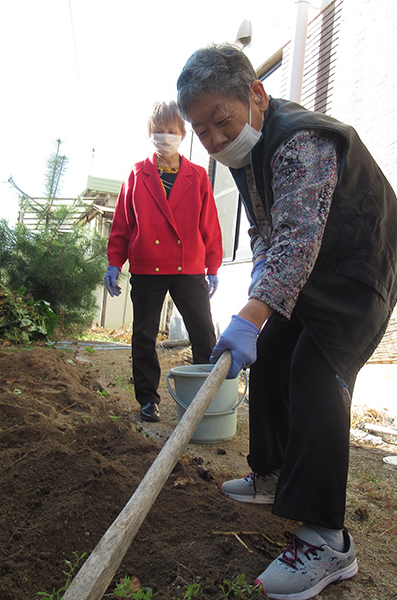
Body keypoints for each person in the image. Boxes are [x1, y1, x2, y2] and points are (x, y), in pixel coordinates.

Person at [176, 44, 397, 599]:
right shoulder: (246, 152)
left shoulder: (300, 140)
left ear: (256, 97)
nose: (215, 140)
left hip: (362, 266)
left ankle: (327, 541)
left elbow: (298, 239)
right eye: (203, 130)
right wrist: (259, 296)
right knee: (271, 354)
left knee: (317, 375)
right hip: (315, 266)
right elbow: (271, 231)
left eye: (223, 122)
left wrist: (250, 310)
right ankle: (271, 474)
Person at [105, 101, 222, 423]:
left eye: (172, 131)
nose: (166, 137)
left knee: (202, 333)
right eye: (159, 131)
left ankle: (205, 398)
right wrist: (115, 262)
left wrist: (212, 267)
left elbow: (209, 224)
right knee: (143, 335)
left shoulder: (197, 175)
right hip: (147, 266)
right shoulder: (137, 174)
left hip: (188, 267)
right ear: (150, 134)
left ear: (183, 135)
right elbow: (122, 224)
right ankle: (147, 399)